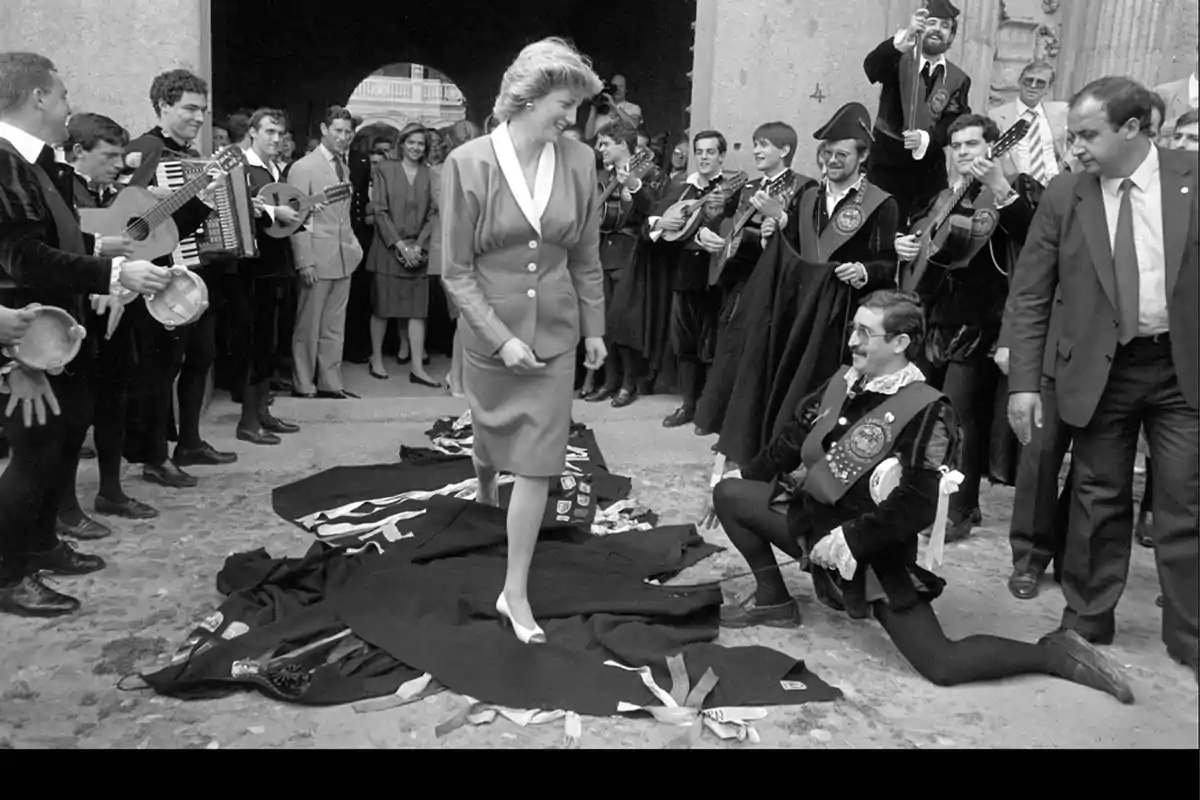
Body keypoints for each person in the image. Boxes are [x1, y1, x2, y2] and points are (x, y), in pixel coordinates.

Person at [709, 289, 1134, 703]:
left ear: (900, 344)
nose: (853, 341)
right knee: (728, 493)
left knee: (942, 664)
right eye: (854, 329)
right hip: (812, 526)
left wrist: (850, 541)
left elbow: (916, 504)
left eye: (865, 333)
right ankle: (773, 601)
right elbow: (791, 441)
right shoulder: (844, 381)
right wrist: (741, 474)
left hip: (873, 552)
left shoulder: (929, 409)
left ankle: (1054, 652)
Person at [1006, 76, 1198, 682]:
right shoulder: (1066, 194)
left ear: (1133, 129)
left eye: (1088, 134)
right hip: (1100, 368)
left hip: (1181, 369)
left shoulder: (1190, 178)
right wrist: (1024, 383)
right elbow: (1032, 292)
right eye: (1073, 136)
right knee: (1097, 496)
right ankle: (1087, 619)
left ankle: (1189, 635)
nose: (1078, 146)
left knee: (1184, 502)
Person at [441, 37, 605, 644]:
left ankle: (514, 590)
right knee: (492, 437)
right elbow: (455, 271)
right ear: (529, 97)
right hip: (492, 332)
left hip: (557, 333)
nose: (573, 119)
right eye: (566, 104)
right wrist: (499, 337)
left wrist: (595, 330)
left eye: (578, 109)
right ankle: (484, 473)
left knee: (538, 463)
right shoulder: (469, 162)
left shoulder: (581, 160)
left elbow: (585, 255)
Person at [0, 51, 170, 616]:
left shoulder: (31, 159)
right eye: (63, 93)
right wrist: (114, 271)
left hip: (55, 329)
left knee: (61, 441)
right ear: (38, 98)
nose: (69, 104)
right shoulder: (5, 160)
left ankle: (43, 542)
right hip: (28, 337)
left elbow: (48, 235)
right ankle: (9, 572)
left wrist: (99, 248)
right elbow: (22, 257)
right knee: (33, 452)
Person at [898, 114, 1040, 542]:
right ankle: (922, 496)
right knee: (926, 411)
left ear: (995, 147)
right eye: (956, 145)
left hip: (983, 321)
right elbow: (927, 245)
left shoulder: (1020, 187)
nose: (963, 152)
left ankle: (960, 507)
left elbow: (1035, 237)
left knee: (962, 418)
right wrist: (905, 245)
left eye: (972, 144)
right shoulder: (945, 196)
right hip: (937, 318)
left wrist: (1000, 187)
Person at [123, 69, 235, 489]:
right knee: (160, 367)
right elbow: (133, 224)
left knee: (201, 356)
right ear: (162, 107)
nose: (199, 117)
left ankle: (189, 441)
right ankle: (154, 456)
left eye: (203, 110)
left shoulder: (188, 155)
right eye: (189, 108)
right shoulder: (144, 151)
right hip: (157, 277)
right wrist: (190, 202)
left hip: (193, 273)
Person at [57, 112, 159, 537]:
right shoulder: (61, 189)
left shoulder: (112, 193)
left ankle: (111, 491)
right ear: (79, 152)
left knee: (114, 401)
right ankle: (64, 506)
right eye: (111, 156)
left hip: (118, 309)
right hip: (76, 314)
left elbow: (132, 243)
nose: (120, 165)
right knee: (74, 413)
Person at [647, 130, 739, 429]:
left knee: (712, 345)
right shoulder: (681, 189)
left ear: (722, 156)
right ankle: (688, 406)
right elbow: (652, 222)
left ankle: (709, 412)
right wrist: (661, 223)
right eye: (699, 151)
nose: (703, 157)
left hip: (717, 276)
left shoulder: (733, 188)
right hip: (685, 276)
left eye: (710, 152)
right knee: (685, 343)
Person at [864, 0, 971, 226]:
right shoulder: (898, 59)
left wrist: (927, 138)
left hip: (929, 170)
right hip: (886, 164)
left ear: (951, 37)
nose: (937, 29)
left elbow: (954, 121)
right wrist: (907, 36)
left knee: (929, 231)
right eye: (931, 22)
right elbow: (872, 68)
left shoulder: (958, 79)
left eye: (945, 26)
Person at [233, 108, 302, 445]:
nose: (276, 139)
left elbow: (278, 221)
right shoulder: (240, 166)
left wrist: (299, 212)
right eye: (269, 132)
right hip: (250, 269)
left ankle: (262, 413)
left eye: (280, 133)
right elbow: (238, 204)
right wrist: (277, 210)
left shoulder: (274, 168)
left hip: (275, 265)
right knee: (252, 344)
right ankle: (247, 422)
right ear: (252, 132)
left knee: (268, 344)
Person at [583, 120, 664, 407]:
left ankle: (629, 384)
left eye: (604, 143)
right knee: (604, 319)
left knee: (625, 321)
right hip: (603, 252)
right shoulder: (604, 176)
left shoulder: (649, 172)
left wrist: (636, 187)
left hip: (631, 253)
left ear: (623, 145)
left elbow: (656, 211)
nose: (598, 149)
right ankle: (609, 380)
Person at [288, 105, 363, 400]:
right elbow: (296, 218)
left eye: (348, 132)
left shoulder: (343, 166)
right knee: (308, 324)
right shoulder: (303, 166)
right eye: (338, 131)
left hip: (343, 256)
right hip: (316, 258)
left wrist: (353, 246)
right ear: (324, 129)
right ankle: (304, 384)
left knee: (334, 325)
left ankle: (331, 383)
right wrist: (303, 260)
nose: (344, 137)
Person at [364, 121, 437, 386]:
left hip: (418, 251)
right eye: (412, 142)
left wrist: (418, 245)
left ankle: (417, 368)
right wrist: (399, 245)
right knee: (382, 308)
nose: (416, 147)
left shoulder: (429, 174)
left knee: (418, 312)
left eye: (421, 144)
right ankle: (377, 359)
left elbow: (433, 213)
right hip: (387, 249)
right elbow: (380, 211)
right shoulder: (384, 169)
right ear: (402, 144)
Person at [428, 119, 483, 398]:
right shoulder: (448, 169)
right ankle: (457, 378)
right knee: (465, 316)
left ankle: (459, 377)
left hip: (476, 249)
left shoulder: (477, 166)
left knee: (469, 317)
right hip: (457, 249)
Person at [989, 60, 1071, 183]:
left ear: (1049, 88)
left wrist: (1065, 165)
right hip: (1017, 186)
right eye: (1028, 80)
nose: (1033, 86)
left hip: (1052, 186)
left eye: (1040, 83)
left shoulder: (1061, 112)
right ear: (1019, 82)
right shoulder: (996, 116)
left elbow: (1077, 142)